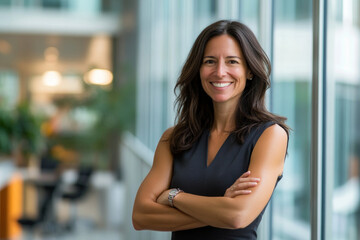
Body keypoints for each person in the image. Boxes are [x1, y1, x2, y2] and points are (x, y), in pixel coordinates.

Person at [132, 20, 289, 240]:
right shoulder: (174, 138)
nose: (220, 71)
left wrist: (174, 197)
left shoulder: (270, 136)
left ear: (250, 71)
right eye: (210, 61)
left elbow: (238, 215)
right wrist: (221, 207)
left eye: (232, 61)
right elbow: (141, 216)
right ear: (198, 69)